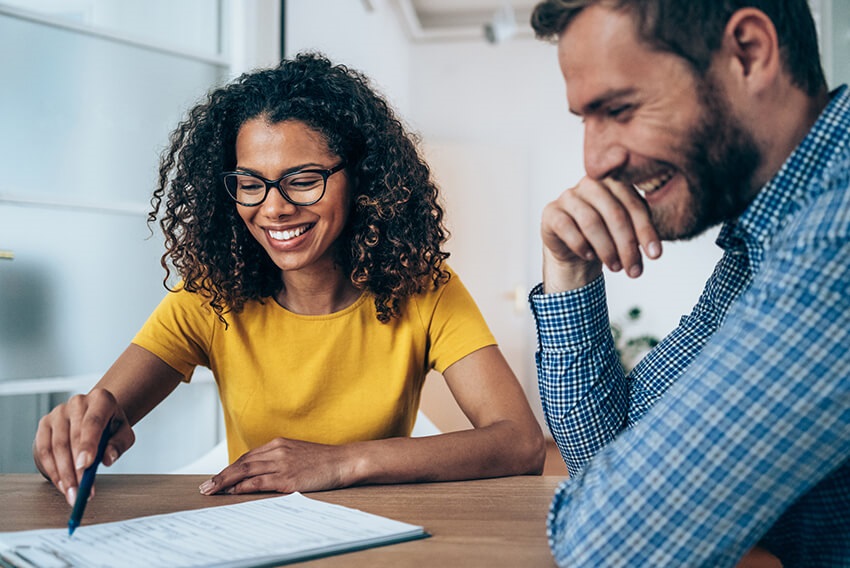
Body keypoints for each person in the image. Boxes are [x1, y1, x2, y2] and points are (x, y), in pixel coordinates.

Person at [33, 53, 545, 505]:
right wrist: (70, 436)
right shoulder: (210, 295)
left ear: (360, 179)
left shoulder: (422, 287)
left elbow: (519, 442)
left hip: (380, 529)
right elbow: (99, 419)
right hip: (255, 531)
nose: (274, 209)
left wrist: (341, 462)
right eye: (250, 184)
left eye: (303, 180)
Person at [528, 0, 850, 566]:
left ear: (748, 53)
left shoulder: (836, 235)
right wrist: (568, 268)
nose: (595, 160)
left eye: (620, 109)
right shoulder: (764, 236)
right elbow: (605, 450)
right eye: (586, 119)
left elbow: (610, 546)